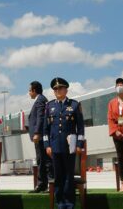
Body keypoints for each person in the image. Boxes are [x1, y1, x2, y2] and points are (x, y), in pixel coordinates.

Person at [43, 77, 85, 209]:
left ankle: (69, 203)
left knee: (68, 175)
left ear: (66, 89)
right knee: (58, 176)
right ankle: (60, 203)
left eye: (60, 88)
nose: (58, 90)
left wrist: (79, 144)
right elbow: (45, 129)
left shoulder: (74, 105)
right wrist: (47, 145)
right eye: (55, 89)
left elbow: (81, 128)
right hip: (54, 147)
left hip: (69, 147)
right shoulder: (49, 106)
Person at [27, 80, 51, 193]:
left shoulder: (40, 100)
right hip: (39, 136)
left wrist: (37, 133)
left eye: (29, 90)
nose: (29, 93)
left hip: (40, 136)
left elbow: (41, 117)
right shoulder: (40, 100)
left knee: (44, 160)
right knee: (41, 160)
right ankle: (42, 184)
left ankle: (46, 185)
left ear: (34, 90)